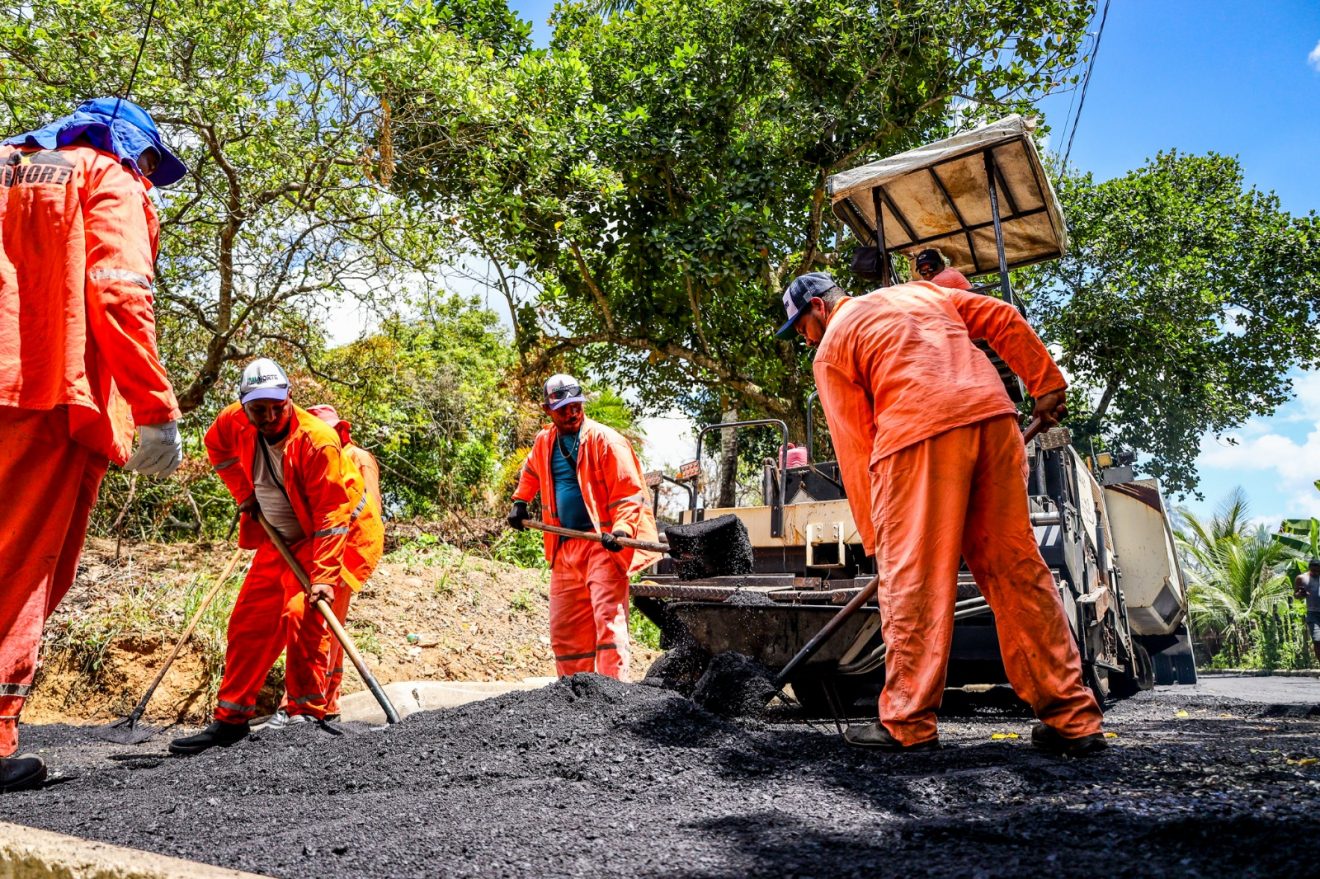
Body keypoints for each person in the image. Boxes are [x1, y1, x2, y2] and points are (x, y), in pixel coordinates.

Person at [775, 271, 1105, 755]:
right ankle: (1072, 718)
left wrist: (878, 542)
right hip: (994, 423)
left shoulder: (832, 347)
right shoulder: (919, 292)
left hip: (917, 438)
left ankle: (908, 722)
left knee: (913, 583)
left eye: (801, 328)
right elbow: (1001, 315)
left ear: (818, 310)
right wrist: (1045, 382)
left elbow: (856, 447)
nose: (805, 340)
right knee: (1018, 572)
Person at [0, 98, 187, 792]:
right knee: (21, 565)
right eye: (149, 163)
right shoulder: (107, 177)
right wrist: (153, 407)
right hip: (41, 393)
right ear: (134, 148)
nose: (147, 176)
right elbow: (116, 289)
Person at [169, 359, 384, 755]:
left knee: (302, 613)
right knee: (249, 621)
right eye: (258, 409)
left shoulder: (317, 441)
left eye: (277, 407)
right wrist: (244, 493)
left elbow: (332, 516)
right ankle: (231, 720)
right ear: (243, 406)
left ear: (289, 399)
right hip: (280, 539)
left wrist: (322, 577)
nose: (269, 417)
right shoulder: (232, 422)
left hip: (329, 538)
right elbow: (215, 447)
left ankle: (306, 714)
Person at [506, 375, 661, 680]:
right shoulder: (544, 442)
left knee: (607, 619)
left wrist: (622, 531)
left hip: (603, 545)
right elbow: (531, 471)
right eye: (563, 409)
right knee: (565, 628)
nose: (571, 413)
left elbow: (629, 491)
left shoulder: (607, 441)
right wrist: (520, 501)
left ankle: (613, 693)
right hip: (565, 547)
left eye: (575, 406)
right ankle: (572, 694)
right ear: (548, 410)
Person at [1294, 559, 1320, 661]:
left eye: (1318, 571)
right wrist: (1300, 594)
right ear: (1310, 568)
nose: (1316, 573)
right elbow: (1295, 595)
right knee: (1317, 640)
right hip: (1313, 613)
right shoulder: (1301, 578)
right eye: (1314, 571)